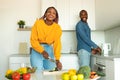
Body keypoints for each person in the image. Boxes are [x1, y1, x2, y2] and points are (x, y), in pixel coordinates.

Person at [30, 6, 62, 72]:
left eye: (54, 13)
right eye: (49, 12)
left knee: (50, 72)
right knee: (37, 72)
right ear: (45, 14)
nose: (51, 14)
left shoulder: (57, 28)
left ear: (55, 16)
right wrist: (42, 51)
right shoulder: (38, 23)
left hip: (49, 51)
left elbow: (57, 44)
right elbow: (33, 40)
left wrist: (57, 59)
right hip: (37, 50)